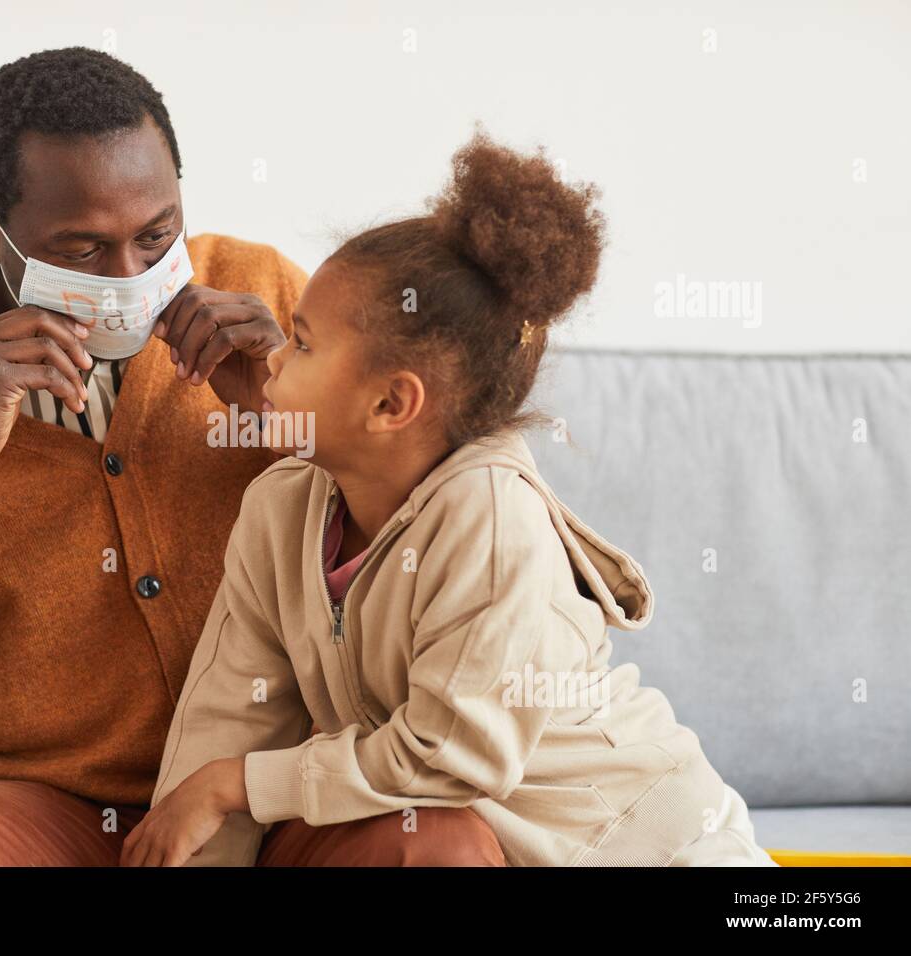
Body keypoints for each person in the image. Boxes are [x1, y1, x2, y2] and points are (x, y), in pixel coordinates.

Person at [0, 47, 504, 867]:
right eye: (85, 251)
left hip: (276, 793)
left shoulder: (272, 299)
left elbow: (458, 522)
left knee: (440, 842)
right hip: (43, 821)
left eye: (157, 234)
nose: (134, 276)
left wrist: (295, 421)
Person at [124, 126, 779, 867]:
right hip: (486, 845)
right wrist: (193, 826)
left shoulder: (490, 522)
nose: (272, 357)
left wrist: (234, 786)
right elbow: (229, 718)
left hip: (649, 844)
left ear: (391, 405)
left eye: (302, 343)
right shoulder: (281, 509)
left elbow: (446, 755)